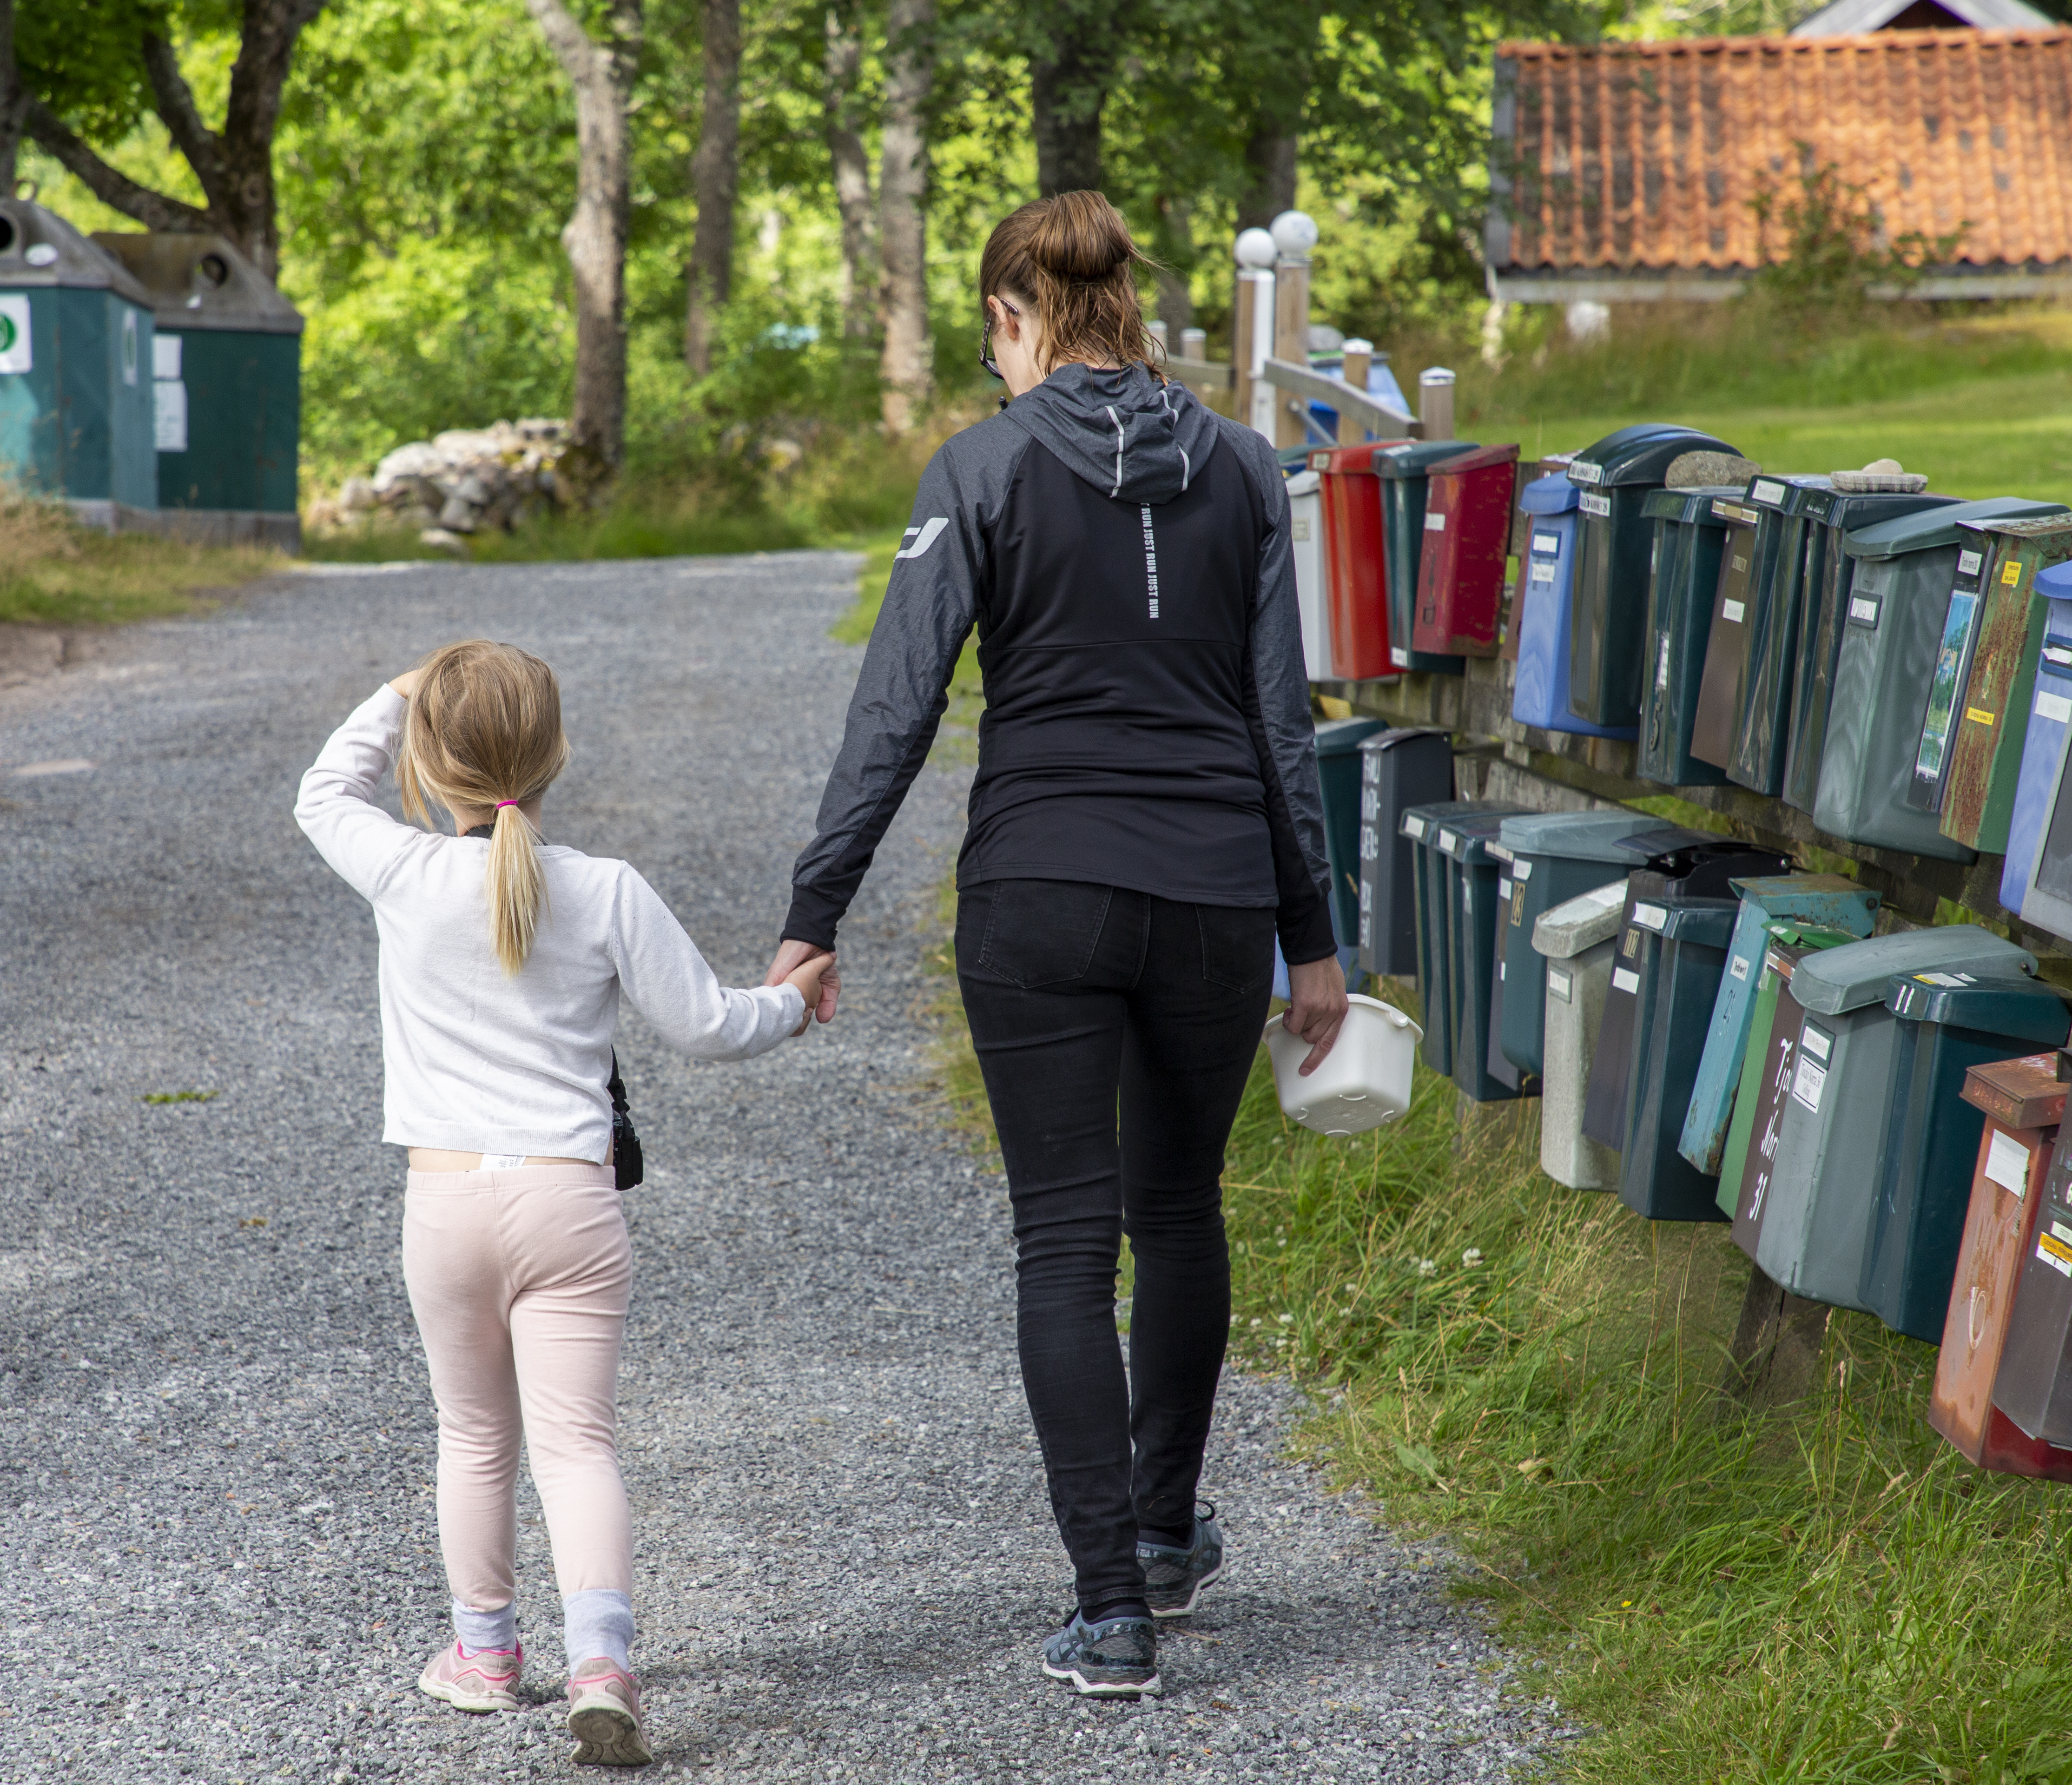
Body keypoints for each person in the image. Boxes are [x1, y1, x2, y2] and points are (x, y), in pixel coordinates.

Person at [768, 191, 1348, 1698]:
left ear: (1013, 319)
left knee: (1065, 1239)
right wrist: (1317, 942)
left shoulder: (979, 469)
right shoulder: (1240, 465)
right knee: (1181, 1209)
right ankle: (1159, 1533)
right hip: (1219, 894)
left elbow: (894, 710)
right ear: (1131, 310)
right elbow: (1282, 727)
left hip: (1040, 892)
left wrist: (814, 914)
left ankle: (1112, 1612)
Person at [297, 640, 834, 1767]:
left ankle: (486, 1658)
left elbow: (323, 790)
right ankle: (603, 1666)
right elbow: (711, 1027)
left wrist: (403, 691)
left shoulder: (399, 872)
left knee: (474, 1438)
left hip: (444, 1207)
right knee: (578, 1444)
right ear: (556, 759)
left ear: (433, 765)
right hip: (569, 1208)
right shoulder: (605, 889)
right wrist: (791, 1002)